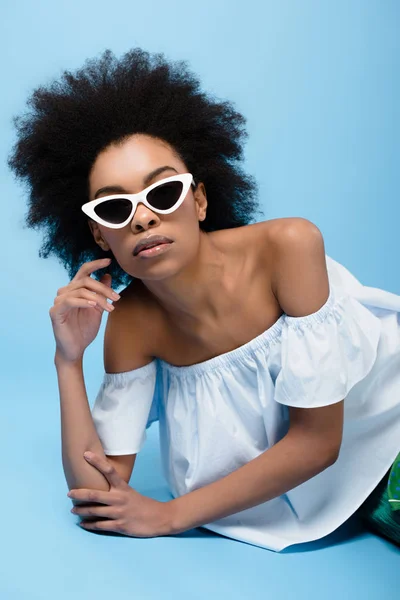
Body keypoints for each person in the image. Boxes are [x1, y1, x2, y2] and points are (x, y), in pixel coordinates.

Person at [7, 47, 400, 552]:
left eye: (163, 194)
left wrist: (170, 517)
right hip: (343, 501)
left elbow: (318, 442)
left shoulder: (288, 248)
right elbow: (96, 493)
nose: (143, 218)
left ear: (198, 200)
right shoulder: (134, 325)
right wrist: (68, 359)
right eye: (115, 207)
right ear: (100, 234)